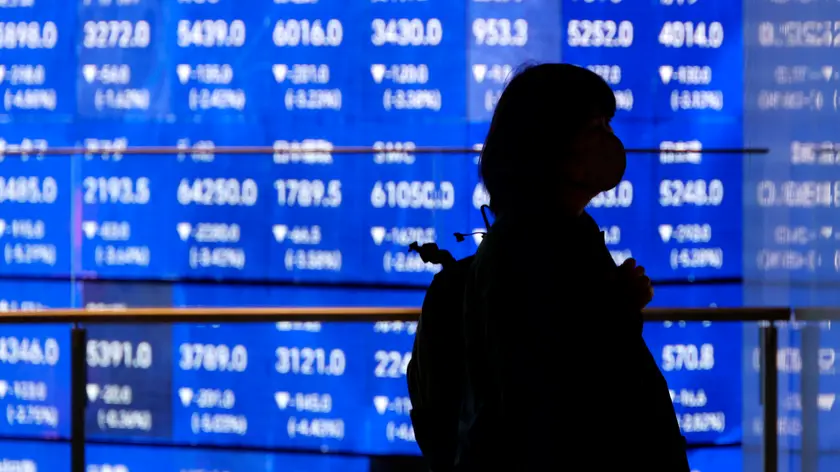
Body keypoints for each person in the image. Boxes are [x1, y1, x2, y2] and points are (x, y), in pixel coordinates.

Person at [457, 63, 689, 471]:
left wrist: (616, 304)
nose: (611, 141)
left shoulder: (567, 233)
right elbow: (552, 396)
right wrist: (617, 307)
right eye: (595, 127)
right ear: (548, 144)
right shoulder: (527, 250)